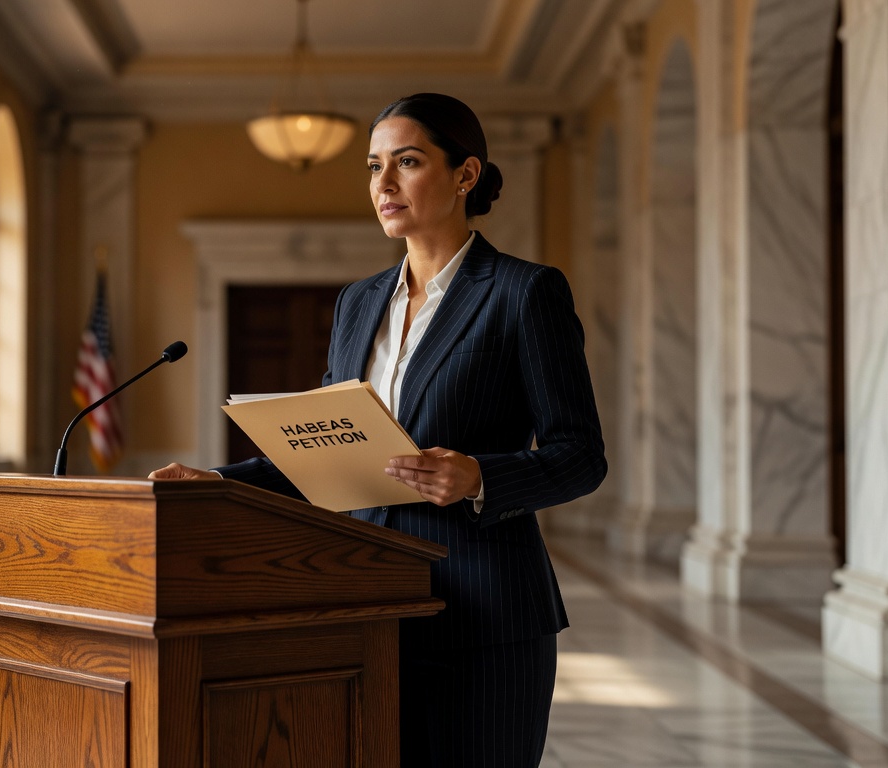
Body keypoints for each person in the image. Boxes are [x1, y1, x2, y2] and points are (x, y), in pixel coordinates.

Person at [150, 92, 606, 767]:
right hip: (362, 606)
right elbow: (329, 448)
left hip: (485, 614)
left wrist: (482, 476)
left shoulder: (524, 292)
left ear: (465, 175)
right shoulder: (357, 302)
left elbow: (581, 455)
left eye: (408, 162)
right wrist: (216, 482)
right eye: (372, 167)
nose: (383, 185)